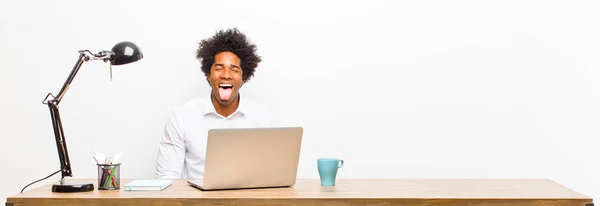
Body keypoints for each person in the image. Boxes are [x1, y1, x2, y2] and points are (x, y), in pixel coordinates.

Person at [155, 28, 271, 179]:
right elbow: (166, 177)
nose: (226, 75)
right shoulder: (182, 116)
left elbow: (268, 175)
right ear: (208, 75)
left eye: (234, 69)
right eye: (219, 68)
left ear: (244, 78)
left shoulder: (261, 117)